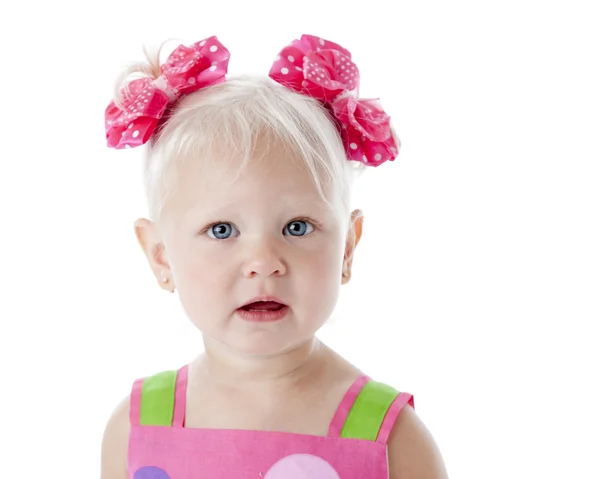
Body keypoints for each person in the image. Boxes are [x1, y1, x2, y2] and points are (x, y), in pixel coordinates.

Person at [100, 34, 449, 479]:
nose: (264, 261)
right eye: (221, 230)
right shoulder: (135, 429)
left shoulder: (390, 441)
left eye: (297, 227)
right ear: (161, 257)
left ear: (346, 247)